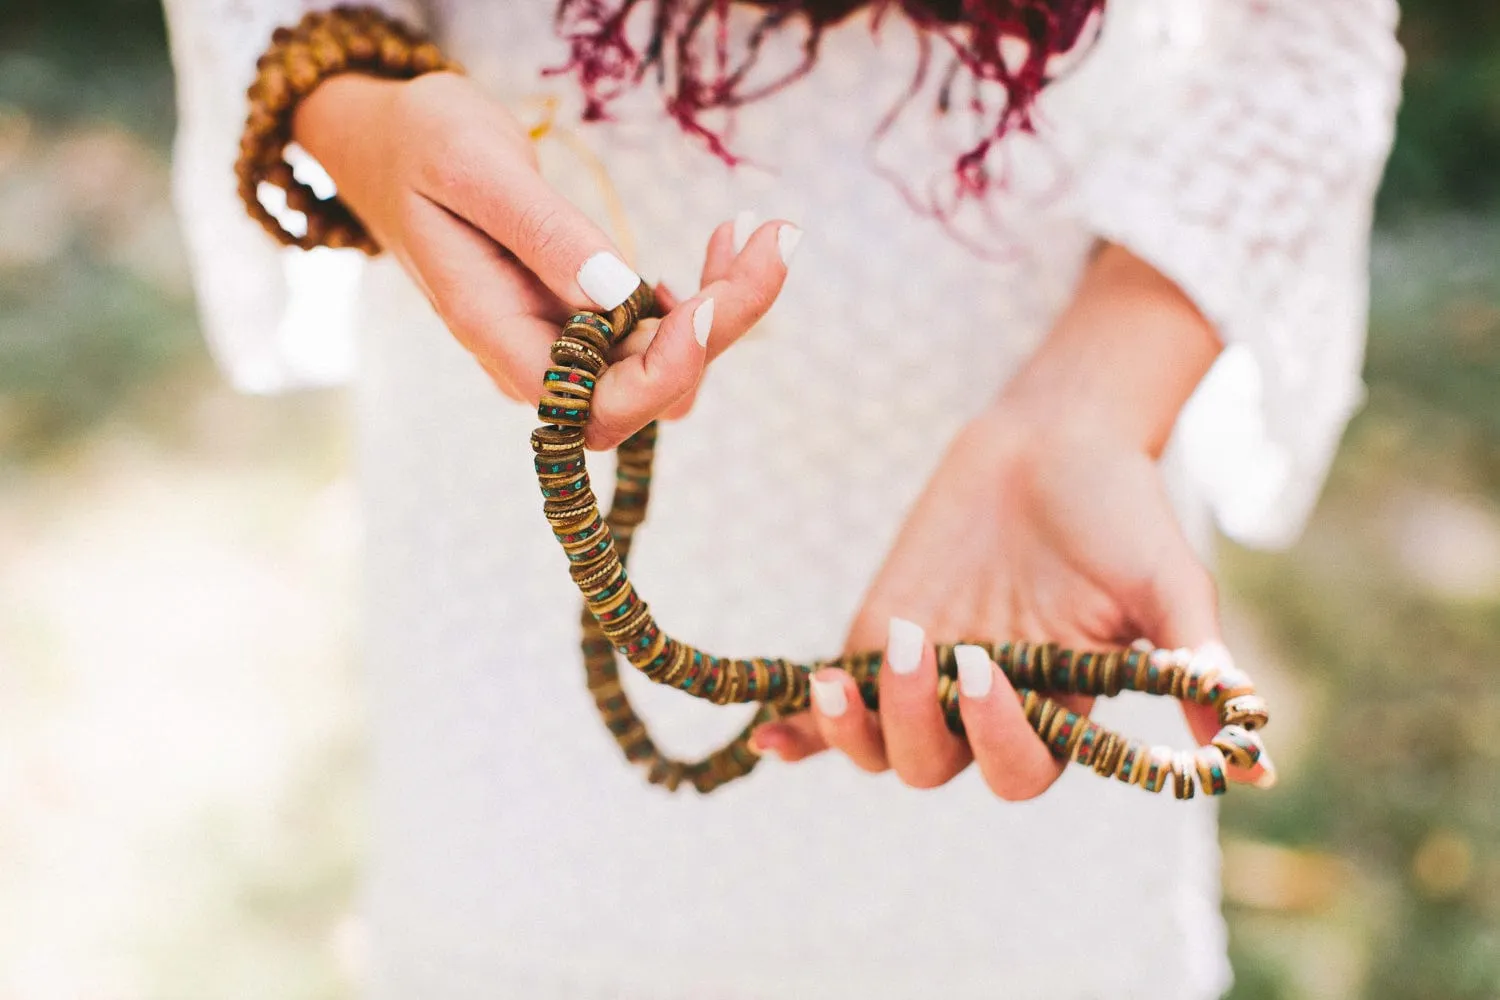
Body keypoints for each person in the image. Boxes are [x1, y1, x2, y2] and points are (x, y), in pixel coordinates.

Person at [161, 1, 1403, 996]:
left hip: (1035, 443)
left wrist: (1093, 400)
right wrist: (359, 112)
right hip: (499, 404)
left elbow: (1311, 29)